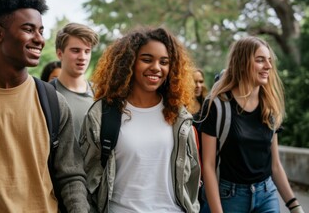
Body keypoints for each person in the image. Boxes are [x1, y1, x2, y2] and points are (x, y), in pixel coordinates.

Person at [0, 0, 89, 212]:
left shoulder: (53, 102)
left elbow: (71, 176)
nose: (40, 39)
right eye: (28, 29)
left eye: (41, 31)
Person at [79, 26, 201, 212]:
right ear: (129, 62)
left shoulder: (179, 116)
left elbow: (191, 175)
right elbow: (86, 177)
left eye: (164, 62)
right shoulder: (102, 114)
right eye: (146, 59)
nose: (156, 67)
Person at [199, 36, 305, 213]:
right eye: (260, 60)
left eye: (269, 61)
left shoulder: (270, 105)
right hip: (229, 197)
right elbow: (208, 166)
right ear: (242, 62)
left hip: (266, 194)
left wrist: (294, 205)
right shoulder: (216, 105)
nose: (268, 67)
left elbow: (275, 165)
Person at [52, 23, 99, 139]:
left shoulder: (101, 94)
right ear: (59, 53)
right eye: (75, 50)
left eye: (87, 51)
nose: (82, 57)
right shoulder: (47, 95)